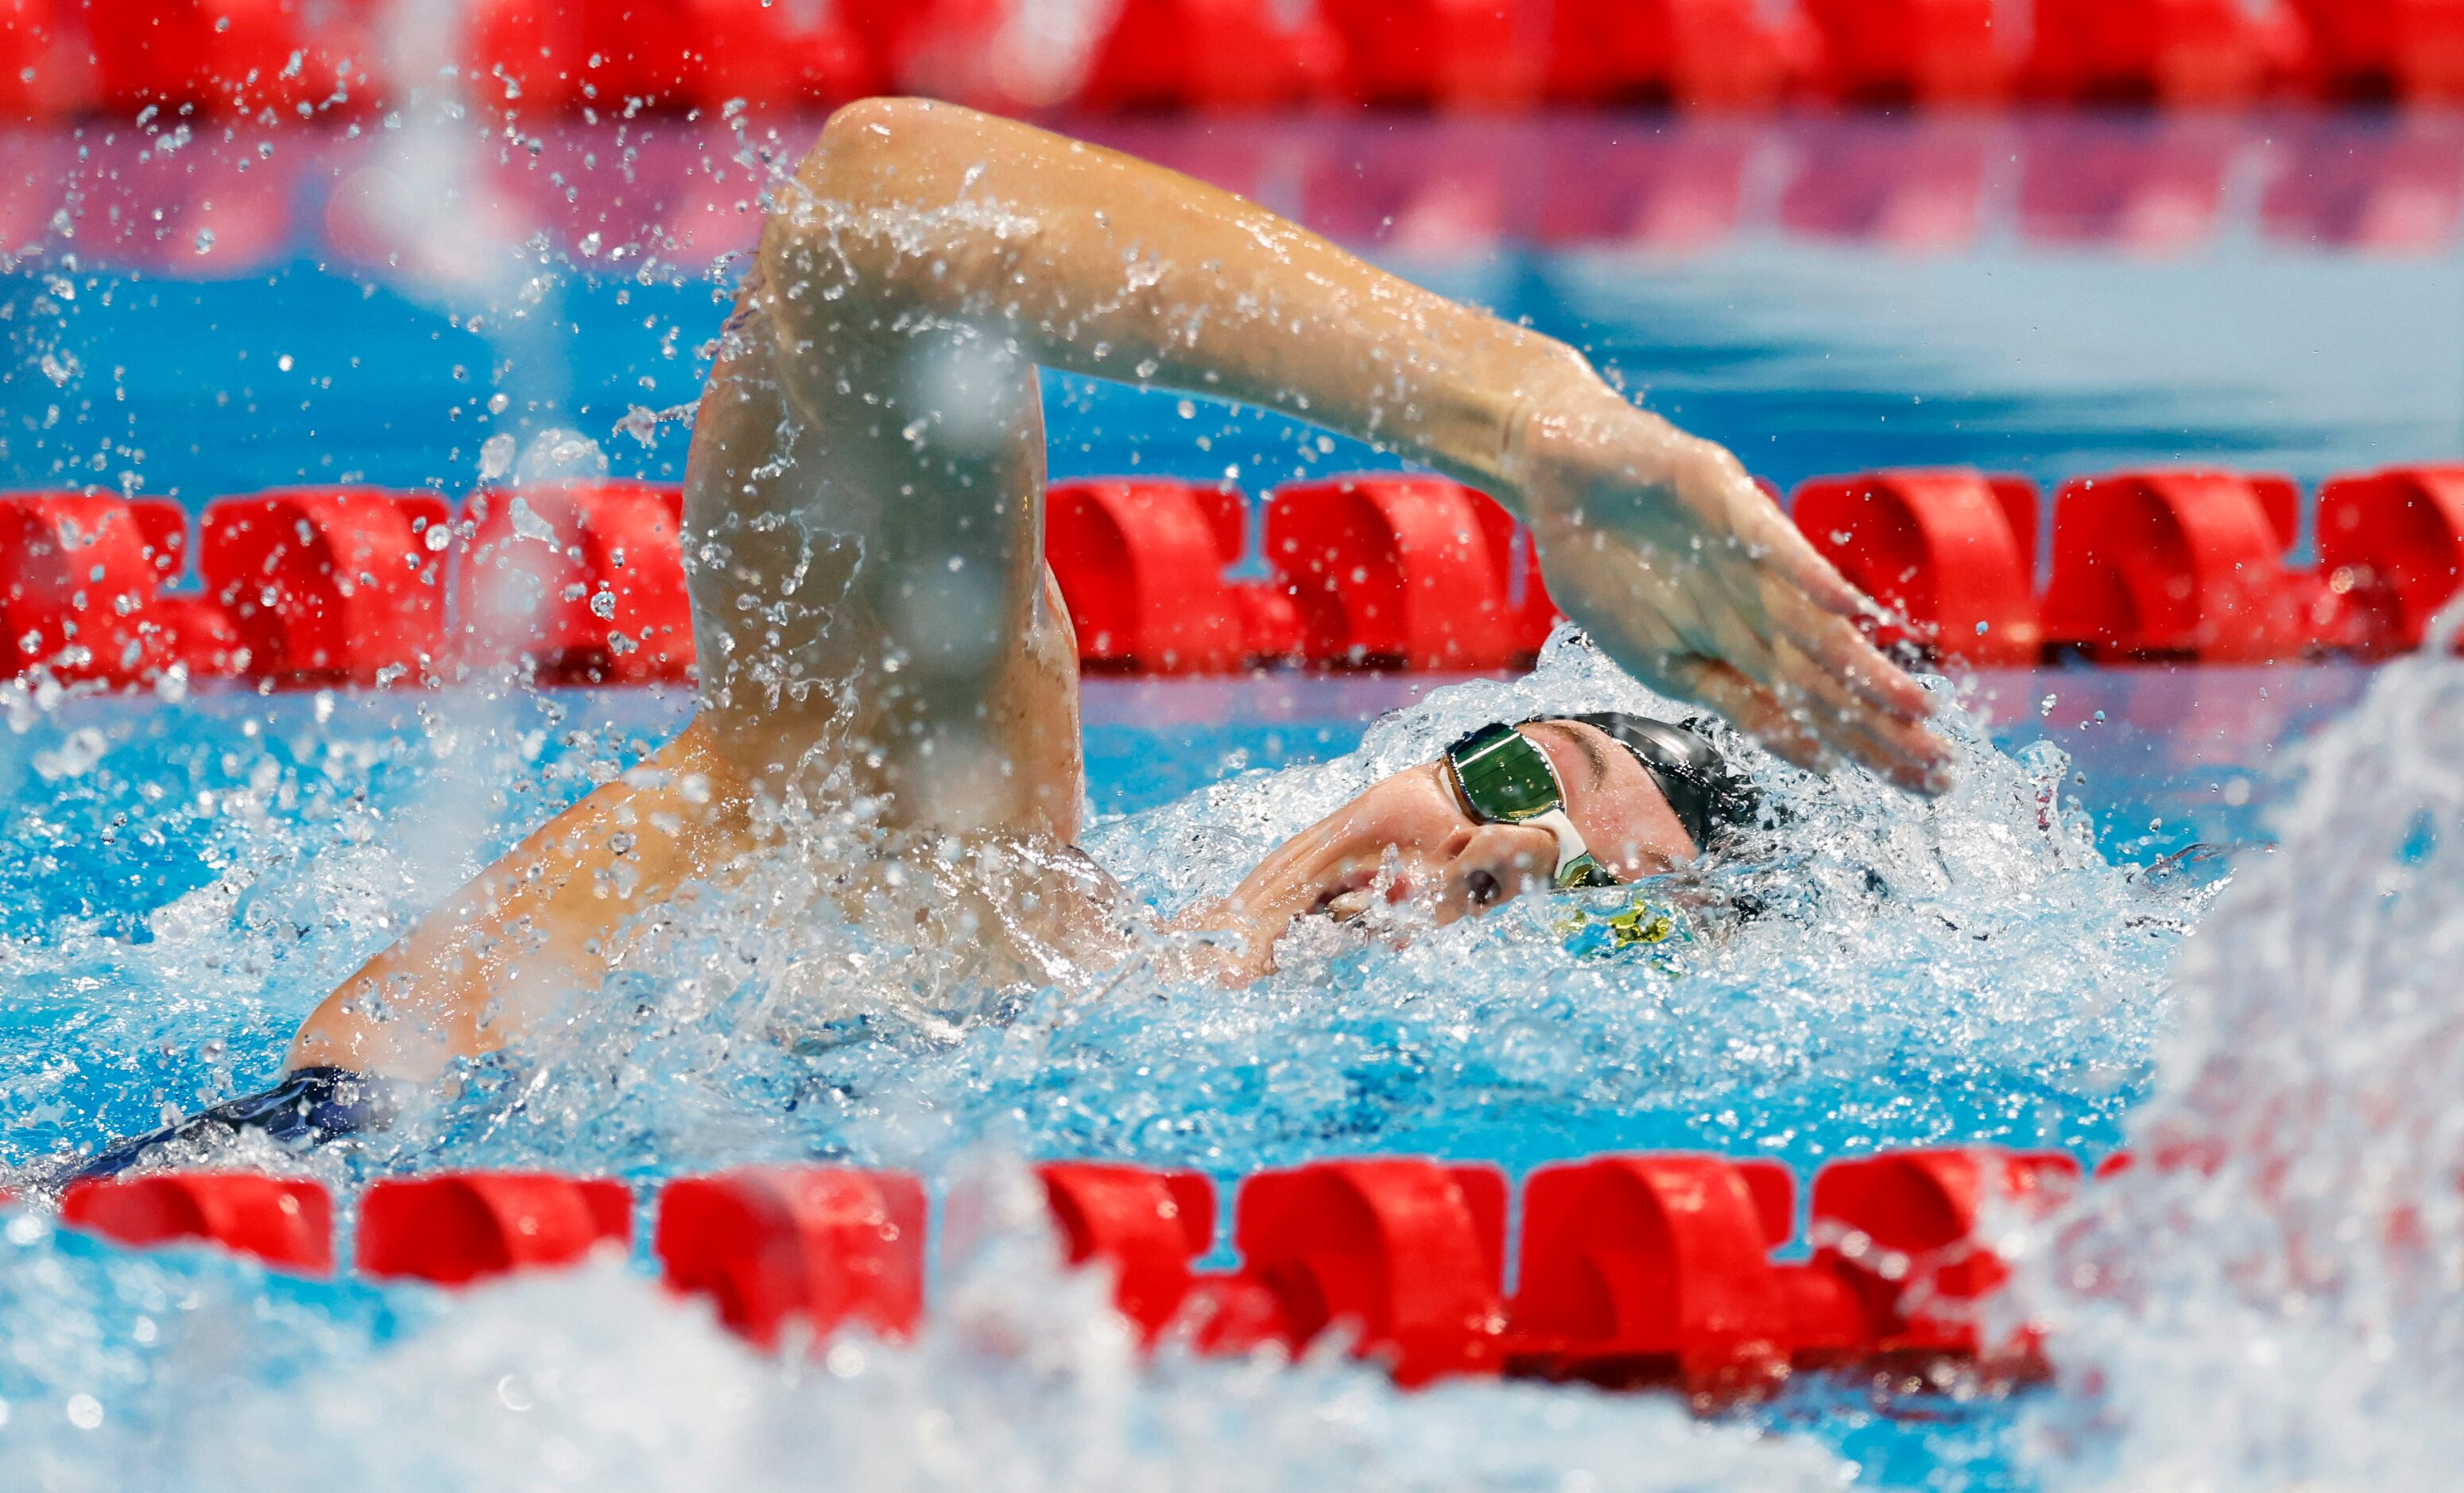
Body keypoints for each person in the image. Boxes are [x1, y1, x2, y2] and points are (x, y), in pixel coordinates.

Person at [60, 99, 1948, 1181]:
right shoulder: (967, 858)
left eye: (1584, 912)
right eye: (1526, 778)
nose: (1503, 853)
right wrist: (1539, 421)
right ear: (1431, 745)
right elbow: (880, 203)